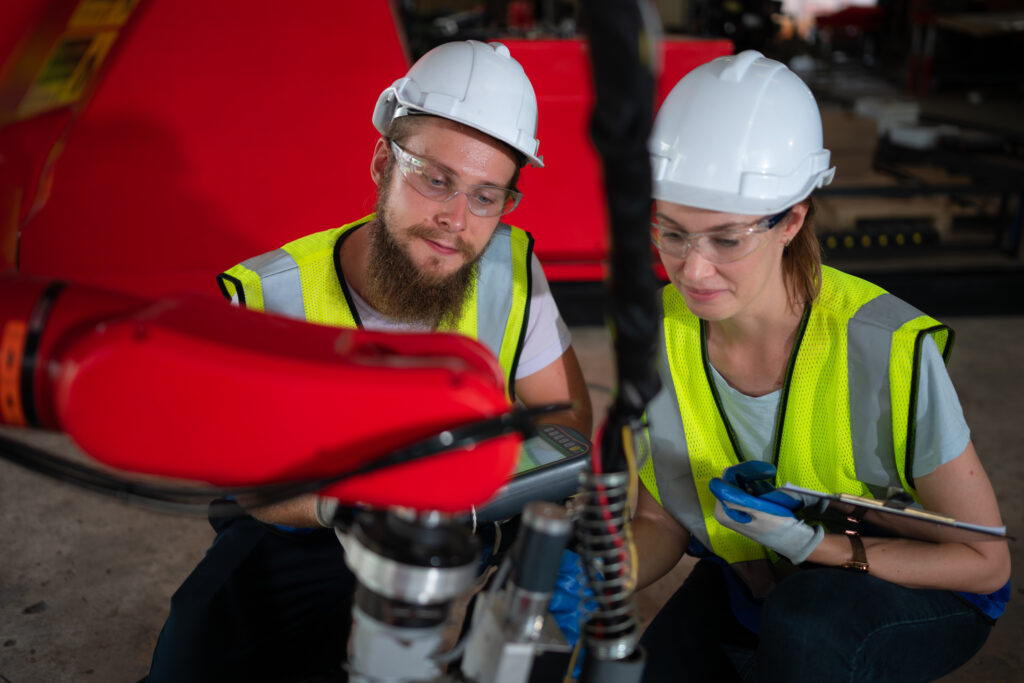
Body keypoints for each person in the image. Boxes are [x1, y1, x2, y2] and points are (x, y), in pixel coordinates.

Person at [146, 40, 592, 683]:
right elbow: (250, 480)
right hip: (314, 521)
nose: (456, 220)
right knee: (199, 653)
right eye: (435, 179)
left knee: (561, 562)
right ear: (384, 162)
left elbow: (566, 416)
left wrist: (494, 488)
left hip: (472, 511)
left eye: (485, 196)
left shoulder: (512, 269)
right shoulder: (270, 295)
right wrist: (357, 504)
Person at [633, 50, 1010, 683]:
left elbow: (984, 560)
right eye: (671, 232)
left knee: (807, 627)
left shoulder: (882, 345)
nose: (692, 269)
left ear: (793, 219)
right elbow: (656, 519)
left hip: (915, 585)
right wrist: (594, 573)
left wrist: (820, 547)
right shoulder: (656, 333)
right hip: (764, 576)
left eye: (726, 239)